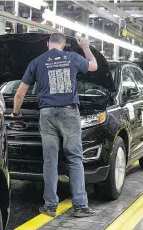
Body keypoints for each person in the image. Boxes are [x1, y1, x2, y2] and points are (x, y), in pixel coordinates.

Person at [10, 33, 98, 218]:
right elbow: (94, 66)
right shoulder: (72, 57)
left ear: (47, 44)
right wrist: (86, 47)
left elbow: (19, 94)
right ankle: (80, 206)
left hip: (47, 113)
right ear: (64, 44)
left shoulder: (37, 61)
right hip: (69, 113)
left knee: (50, 160)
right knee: (74, 158)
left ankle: (50, 206)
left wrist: (16, 113)